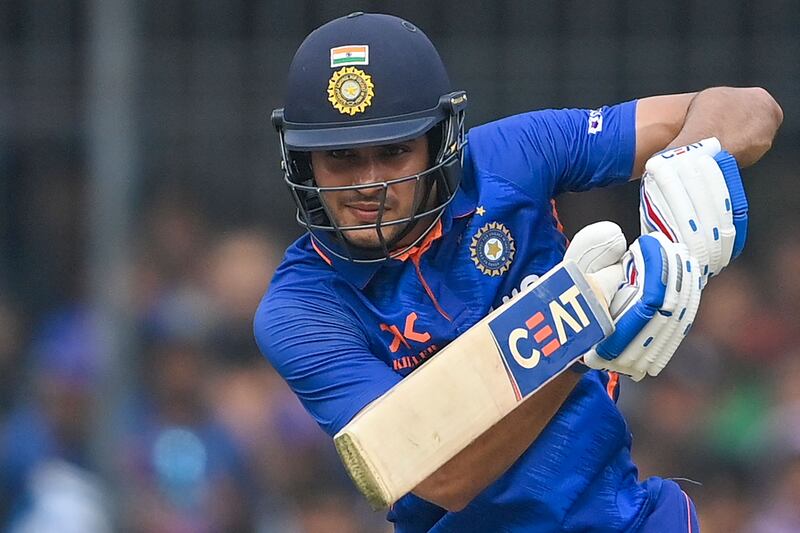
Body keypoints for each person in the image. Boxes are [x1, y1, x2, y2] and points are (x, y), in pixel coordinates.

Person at [254, 12, 782, 532]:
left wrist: (683, 179)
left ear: (439, 141)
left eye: (394, 151)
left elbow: (749, 109)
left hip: (625, 517)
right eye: (340, 157)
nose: (368, 184)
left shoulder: (511, 156)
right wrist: (577, 324)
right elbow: (438, 477)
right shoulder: (299, 308)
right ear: (303, 162)